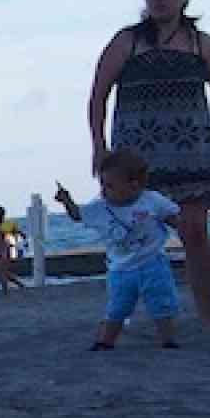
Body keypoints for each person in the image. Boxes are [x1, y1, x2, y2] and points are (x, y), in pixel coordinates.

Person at [86, 0, 210, 325]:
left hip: (192, 154)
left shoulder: (201, 44)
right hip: (134, 158)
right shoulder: (127, 41)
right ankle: (127, 313)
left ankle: (207, 315)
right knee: (132, 235)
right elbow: (98, 95)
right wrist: (98, 146)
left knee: (194, 231)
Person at [55, 148, 182, 350]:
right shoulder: (100, 207)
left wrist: (186, 232)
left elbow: (172, 217)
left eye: (111, 185)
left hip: (153, 262)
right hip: (120, 268)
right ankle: (106, 340)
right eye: (103, 185)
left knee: (161, 302)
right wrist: (67, 201)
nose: (104, 190)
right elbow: (78, 215)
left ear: (134, 185)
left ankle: (167, 338)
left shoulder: (151, 200)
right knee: (117, 307)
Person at [0, 205, 26, 294]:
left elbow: (6, 237)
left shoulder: (1, 227)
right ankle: (19, 285)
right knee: (4, 272)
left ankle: (6, 290)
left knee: (0, 272)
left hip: (3, 252)